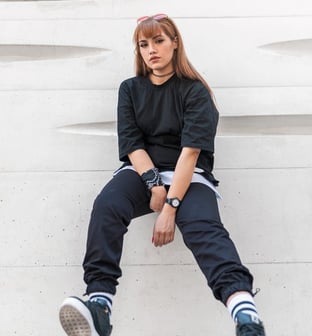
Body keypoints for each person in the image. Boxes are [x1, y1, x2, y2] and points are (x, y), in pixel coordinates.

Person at [59, 13, 266, 336]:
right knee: (107, 205)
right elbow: (132, 143)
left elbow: (190, 153)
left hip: (189, 175)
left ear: (174, 43)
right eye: (143, 44)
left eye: (158, 41)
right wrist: (153, 183)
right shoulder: (130, 89)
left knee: (204, 228)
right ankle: (99, 304)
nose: (151, 49)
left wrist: (169, 207)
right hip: (142, 172)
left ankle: (245, 315)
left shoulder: (194, 91)